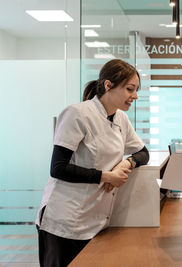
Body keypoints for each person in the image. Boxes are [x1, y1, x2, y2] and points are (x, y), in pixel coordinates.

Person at [36, 59, 149, 267]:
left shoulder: (121, 118)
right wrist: (106, 176)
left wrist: (126, 164)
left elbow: (143, 153)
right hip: (64, 220)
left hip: (95, 220)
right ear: (108, 86)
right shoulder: (77, 113)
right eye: (130, 89)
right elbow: (58, 168)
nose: (135, 96)